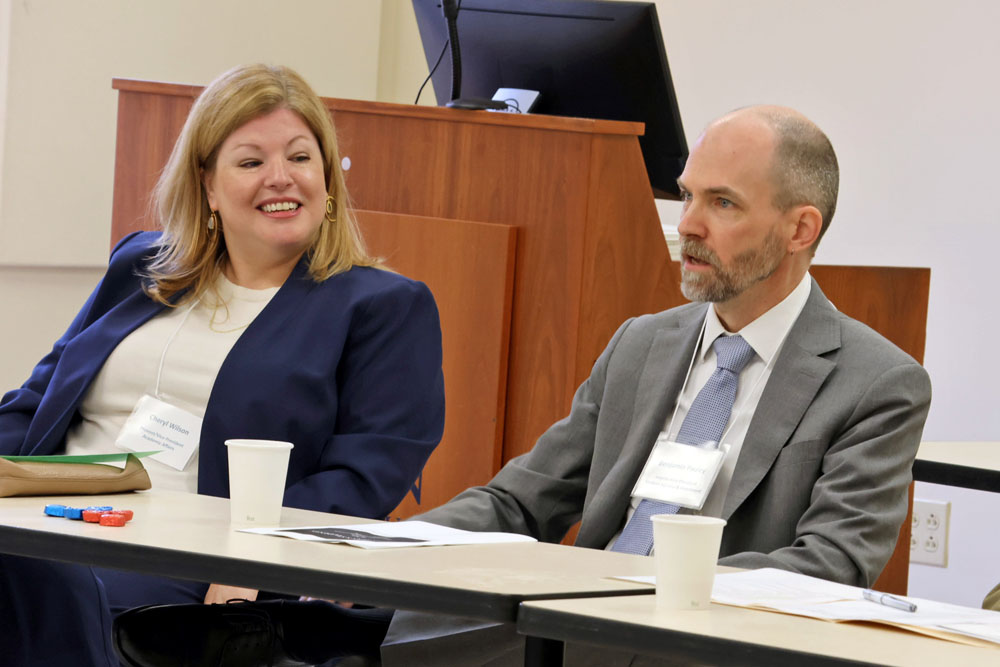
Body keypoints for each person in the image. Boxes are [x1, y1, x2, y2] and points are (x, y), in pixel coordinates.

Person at [113, 105, 932, 666]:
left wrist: (629, 587)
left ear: (799, 228)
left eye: (722, 203)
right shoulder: (644, 344)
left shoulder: (876, 382)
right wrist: (378, 556)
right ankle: (327, 627)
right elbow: (518, 501)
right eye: (686, 196)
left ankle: (316, 642)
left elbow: (829, 565)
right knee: (453, 606)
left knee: (511, 629)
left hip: (700, 633)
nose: (686, 224)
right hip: (578, 611)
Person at [0, 63, 445, 665]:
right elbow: (38, 400)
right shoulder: (142, 266)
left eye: (300, 157)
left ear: (328, 178)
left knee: (41, 582)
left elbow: (363, 477)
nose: (281, 178)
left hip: (180, 556)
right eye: (251, 161)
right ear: (207, 185)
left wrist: (255, 558)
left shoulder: (380, 306)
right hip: (49, 514)